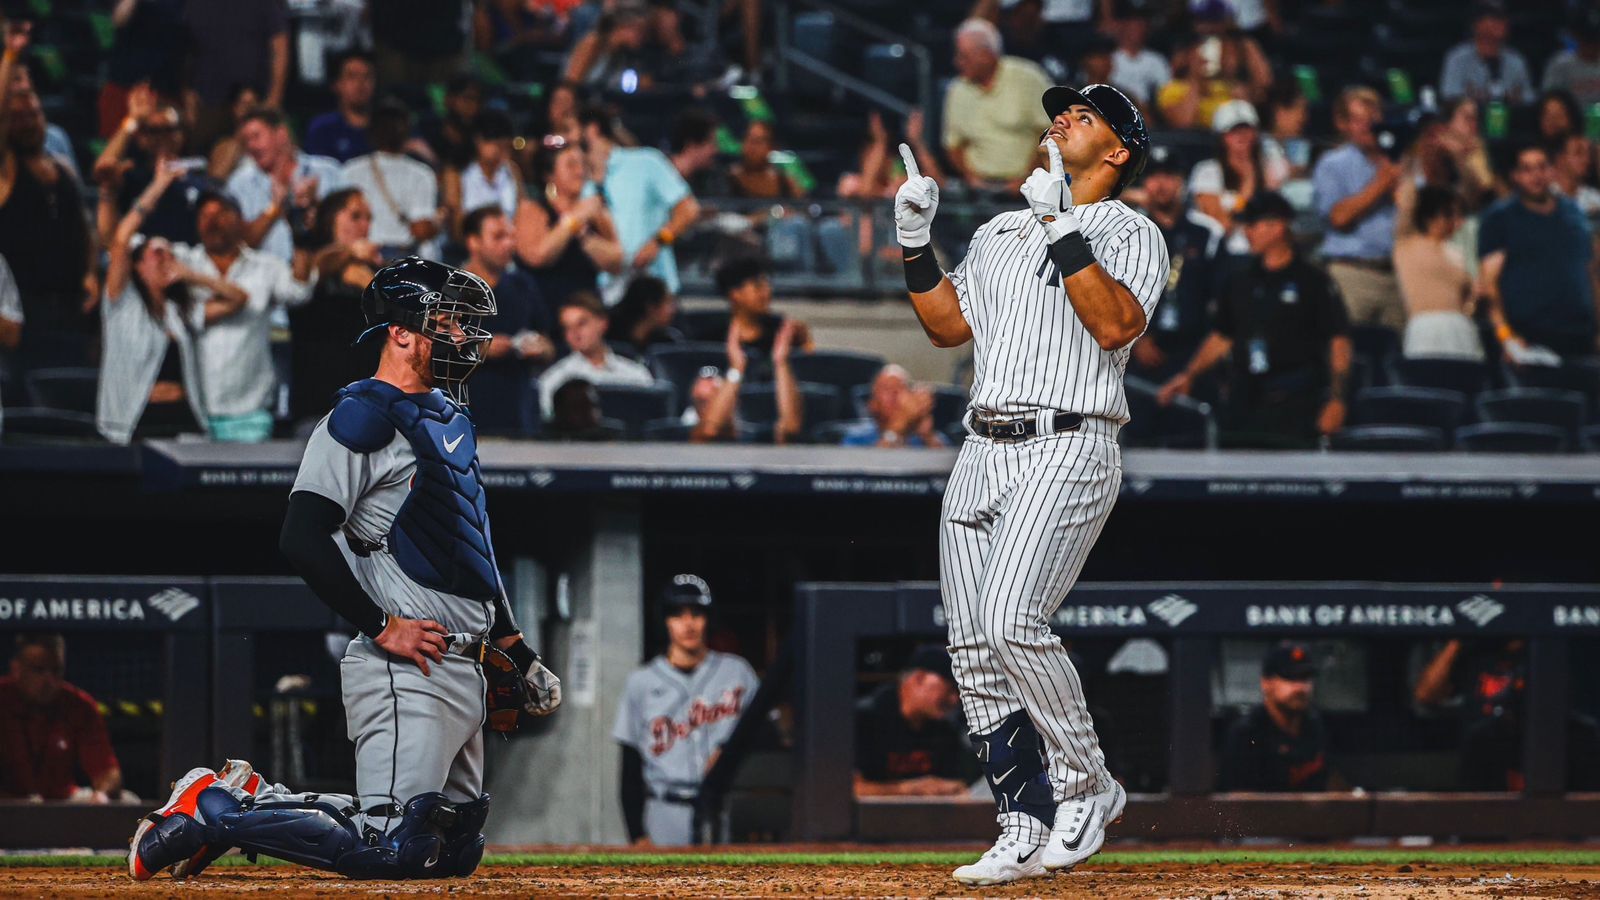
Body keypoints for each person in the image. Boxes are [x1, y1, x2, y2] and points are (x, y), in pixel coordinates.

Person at [129, 257, 561, 882]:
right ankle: (216, 808)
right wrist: (381, 624)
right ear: (402, 332)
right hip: (407, 661)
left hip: (463, 661)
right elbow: (300, 536)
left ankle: (249, 796)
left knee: (453, 851)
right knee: (391, 848)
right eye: (446, 322)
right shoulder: (360, 417)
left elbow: (472, 546)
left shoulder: (448, 416)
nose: (463, 336)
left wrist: (514, 646)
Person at [894, 82, 1167, 884]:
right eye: (1063, 111)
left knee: (1014, 621)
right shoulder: (1001, 230)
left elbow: (1117, 325)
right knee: (974, 650)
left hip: (1069, 440)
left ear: (1117, 152)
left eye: (1084, 117)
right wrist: (915, 241)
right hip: (982, 445)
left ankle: (1088, 783)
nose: (1063, 120)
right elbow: (948, 326)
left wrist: (1061, 221)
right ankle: (1022, 822)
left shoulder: (1130, 229)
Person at [1158, 192, 1351, 449]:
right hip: (1244, 400)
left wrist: (1337, 399)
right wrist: (1189, 375)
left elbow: (1338, 341)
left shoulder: (1313, 282)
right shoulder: (1239, 281)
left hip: (1296, 403)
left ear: (1278, 226)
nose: (1247, 232)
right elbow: (1222, 336)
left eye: (1253, 225)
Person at [97, 165, 251, 443]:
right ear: (138, 265)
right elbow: (120, 239)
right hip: (135, 419)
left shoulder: (179, 311)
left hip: (183, 418)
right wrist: (161, 183)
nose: (166, 258)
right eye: (157, 253)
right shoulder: (122, 302)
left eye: (170, 254)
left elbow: (238, 299)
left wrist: (191, 274)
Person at [613, 575, 760, 846]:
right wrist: (637, 835)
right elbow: (630, 767)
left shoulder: (738, 673)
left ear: (708, 619)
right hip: (665, 810)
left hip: (726, 808)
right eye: (678, 614)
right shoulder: (641, 683)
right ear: (665, 621)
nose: (688, 623)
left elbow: (771, 737)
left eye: (696, 613)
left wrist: (729, 750)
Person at [0, 24, 95, 372]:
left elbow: (85, 228)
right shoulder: (6, 170)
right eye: (17, 117)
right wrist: (10, 56)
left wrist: (90, 274)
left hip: (69, 310)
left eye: (34, 113)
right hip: (24, 310)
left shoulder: (63, 168)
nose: (28, 122)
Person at [178, 191, 310, 441]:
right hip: (195, 409)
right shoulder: (184, 261)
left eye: (221, 213)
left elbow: (299, 292)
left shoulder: (265, 266)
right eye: (205, 215)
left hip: (251, 409)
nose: (212, 221)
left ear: (240, 220)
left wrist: (300, 239)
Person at [1414, 639, 1600, 791]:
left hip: (1549, 753)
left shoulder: (1553, 643)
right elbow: (1426, 695)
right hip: (1489, 757)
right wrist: (1461, 637)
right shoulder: (1475, 650)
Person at [1477, 143, 1599, 361]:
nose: (1536, 176)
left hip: (1581, 336)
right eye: (1527, 169)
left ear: (1552, 170)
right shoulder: (1499, 218)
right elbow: (1489, 286)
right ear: (1515, 175)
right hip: (1528, 339)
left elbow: (1591, 274)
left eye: (1542, 167)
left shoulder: (1574, 213)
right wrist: (1506, 338)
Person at [579, 104, 700, 295]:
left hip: (656, 289)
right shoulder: (578, 181)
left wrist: (658, 241)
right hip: (607, 294)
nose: (562, 138)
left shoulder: (645, 161)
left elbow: (689, 210)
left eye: (568, 130)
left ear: (592, 130)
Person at [1312, 86, 1404, 334]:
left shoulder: (1400, 162)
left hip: (1397, 277)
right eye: (1358, 120)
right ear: (1343, 125)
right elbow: (1339, 217)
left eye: (1373, 120)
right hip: (1352, 274)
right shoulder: (1333, 164)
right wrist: (1381, 184)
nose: (1367, 127)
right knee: (1349, 352)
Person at [287, 188, 383, 424]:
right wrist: (349, 252)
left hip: (367, 407)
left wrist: (366, 279)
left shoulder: (374, 271)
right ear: (330, 218)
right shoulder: (306, 263)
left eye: (368, 219)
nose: (364, 226)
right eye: (355, 216)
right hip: (317, 404)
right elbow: (316, 269)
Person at [459, 205, 555, 436]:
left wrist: (540, 348)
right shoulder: (449, 290)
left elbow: (550, 346)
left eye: (511, 236)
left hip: (518, 417)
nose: (509, 245)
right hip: (463, 418)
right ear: (474, 242)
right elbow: (430, 350)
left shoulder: (523, 286)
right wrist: (482, 349)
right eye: (498, 237)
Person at [1130, 148, 1226, 381]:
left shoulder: (1208, 232)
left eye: (1169, 176)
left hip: (1193, 351)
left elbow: (1222, 298)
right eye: (1153, 176)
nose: (1161, 184)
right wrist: (1135, 340)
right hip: (1134, 352)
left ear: (1182, 182)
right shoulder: (1128, 230)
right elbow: (1108, 292)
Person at [0, 634, 123, 802]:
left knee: (127, 800)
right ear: (16, 669)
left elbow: (106, 770)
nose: (49, 680)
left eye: (56, 670)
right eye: (39, 670)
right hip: (6, 803)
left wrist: (102, 795)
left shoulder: (79, 705)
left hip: (61, 801)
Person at [942, 18, 1053, 191]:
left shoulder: (1028, 78)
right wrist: (971, 177)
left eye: (964, 57)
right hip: (978, 190)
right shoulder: (958, 89)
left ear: (986, 55)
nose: (957, 62)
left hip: (1032, 185)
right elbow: (954, 145)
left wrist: (1029, 177)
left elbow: (1050, 133)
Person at [92, 84, 208, 246]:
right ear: (141, 138)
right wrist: (133, 120)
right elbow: (103, 168)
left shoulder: (199, 172)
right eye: (153, 131)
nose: (162, 137)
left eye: (169, 129)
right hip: (141, 258)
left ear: (181, 135)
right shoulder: (132, 175)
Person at [515, 135, 623, 310]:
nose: (580, 171)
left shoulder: (594, 211)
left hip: (586, 310)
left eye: (582, 164)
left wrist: (585, 236)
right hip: (542, 309)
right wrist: (574, 220)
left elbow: (617, 261)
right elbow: (537, 256)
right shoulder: (532, 209)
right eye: (571, 165)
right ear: (549, 174)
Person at [226, 107, 343, 266]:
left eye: (256, 136)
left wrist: (316, 206)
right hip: (264, 280)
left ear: (281, 134)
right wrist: (274, 208)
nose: (251, 146)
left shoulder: (328, 172)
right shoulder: (239, 183)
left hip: (321, 272)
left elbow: (346, 235)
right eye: (246, 141)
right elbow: (239, 244)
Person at [854, 645, 971, 798]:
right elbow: (843, 790)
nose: (955, 699)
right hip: (870, 820)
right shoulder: (864, 718)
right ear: (919, 678)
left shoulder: (945, 728)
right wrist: (907, 790)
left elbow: (955, 782)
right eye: (949, 689)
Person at [1217, 642, 1331, 792]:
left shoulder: (1315, 725)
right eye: (1290, 678)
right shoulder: (1247, 732)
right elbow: (1240, 802)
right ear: (1266, 683)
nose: (1300, 687)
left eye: (1305, 678)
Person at [339, 100, 441, 259]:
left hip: (363, 254)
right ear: (407, 131)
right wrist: (438, 223)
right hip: (400, 258)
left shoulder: (350, 170)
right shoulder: (422, 173)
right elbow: (421, 230)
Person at [182, 0, 288, 147]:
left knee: (254, 158)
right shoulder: (193, 4)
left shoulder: (264, 3)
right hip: (207, 103)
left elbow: (279, 50)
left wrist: (274, 100)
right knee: (207, 160)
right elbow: (186, 50)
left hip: (253, 101)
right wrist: (187, 93)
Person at [1394, 186, 1483, 361]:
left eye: (1459, 215)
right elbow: (1406, 204)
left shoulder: (1457, 252)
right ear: (1430, 216)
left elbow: (1468, 304)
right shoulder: (1407, 244)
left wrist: (1476, 298)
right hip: (1425, 328)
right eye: (1450, 214)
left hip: (1460, 327)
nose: (1457, 222)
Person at [1188, 100, 1288, 251]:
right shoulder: (1207, 171)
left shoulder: (1269, 170)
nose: (1241, 136)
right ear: (1222, 137)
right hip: (1223, 253)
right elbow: (1221, 227)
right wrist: (1247, 184)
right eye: (1233, 131)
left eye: (1246, 130)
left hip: (1262, 254)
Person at [539, 291, 654, 419]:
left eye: (581, 323)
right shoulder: (554, 381)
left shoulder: (636, 374)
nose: (574, 333)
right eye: (567, 328)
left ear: (603, 323)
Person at [715, 256, 813, 385]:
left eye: (767, 285)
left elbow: (808, 373)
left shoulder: (781, 330)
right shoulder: (715, 334)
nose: (767, 292)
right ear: (735, 293)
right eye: (758, 286)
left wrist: (804, 341)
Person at [446, 110, 522, 237]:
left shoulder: (512, 170)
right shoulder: (457, 173)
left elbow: (523, 210)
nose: (504, 154)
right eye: (498, 146)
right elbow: (456, 224)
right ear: (479, 141)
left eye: (507, 147)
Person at [1440, 3, 1532, 106]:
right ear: (1477, 24)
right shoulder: (1457, 59)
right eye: (1494, 18)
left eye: (1503, 18)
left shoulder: (1516, 61)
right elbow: (1450, 98)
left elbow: (1528, 99)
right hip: (1472, 120)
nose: (1501, 23)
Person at [840, 364, 948, 448]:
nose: (895, 394)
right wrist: (896, 429)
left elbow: (954, 472)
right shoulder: (856, 438)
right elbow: (869, 471)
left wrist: (927, 436)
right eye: (887, 389)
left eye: (901, 388)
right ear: (872, 403)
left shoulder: (929, 438)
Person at [303, 51, 376, 164]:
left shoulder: (385, 127)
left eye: (367, 77)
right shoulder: (322, 129)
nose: (360, 84)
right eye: (352, 77)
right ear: (337, 85)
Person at [608, 275, 683, 358]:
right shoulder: (607, 338)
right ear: (651, 307)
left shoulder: (667, 343)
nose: (673, 310)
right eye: (668, 303)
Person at [728, 120, 805, 199]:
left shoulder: (784, 181)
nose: (751, 147)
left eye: (758, 142)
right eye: (748, 139)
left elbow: (802, 205)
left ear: (771, 147)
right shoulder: (729, 177)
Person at [1109, 9, 1169, 108]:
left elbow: (1165, 89)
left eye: (1141, 27)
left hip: (1149, 112)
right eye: (1133, 27)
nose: (1137, 31)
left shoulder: (1156, 60)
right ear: (1123, 28)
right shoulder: (1110, 59)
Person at [1542, 8, 1600, 107]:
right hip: (1570, 121)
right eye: (1587, 40)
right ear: (1577, 36)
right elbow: (1549, 102)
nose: (1591, 46)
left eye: (1595, 41)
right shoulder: (1560, 64)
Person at [1551, 132, 1600, 217]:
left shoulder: (1595, 199)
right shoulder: (1544, 195)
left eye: (1588, 154)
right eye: (1578, 153)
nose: (1586, 159)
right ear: (1560, 158)